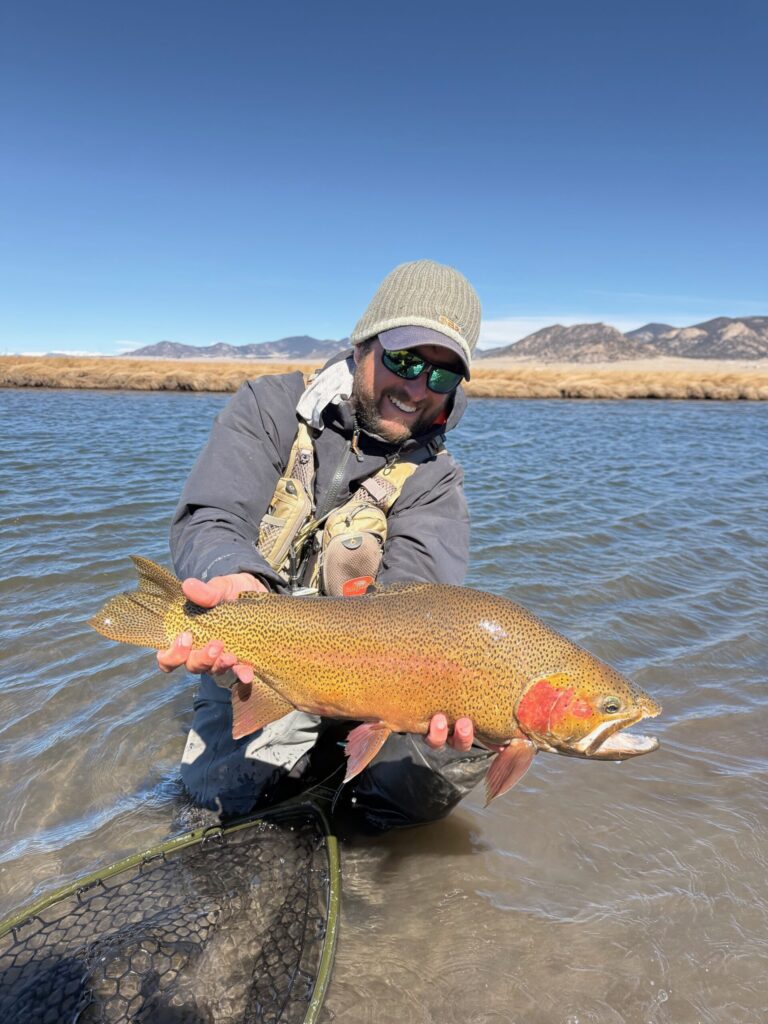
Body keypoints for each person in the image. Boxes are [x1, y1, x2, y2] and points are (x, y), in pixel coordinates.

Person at [158, 259, 493, 832]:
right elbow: (210, 516)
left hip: (374, 669)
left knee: (459, 752)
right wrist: (229, 575)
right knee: (223, 808)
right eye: (404, 360)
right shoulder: (267, 407)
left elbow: (417, 597)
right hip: (260, 649)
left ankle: (355, 833)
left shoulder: (437, 479)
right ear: (362, 345)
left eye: (440, 376)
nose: (416, 388)